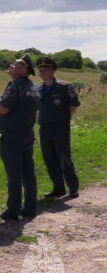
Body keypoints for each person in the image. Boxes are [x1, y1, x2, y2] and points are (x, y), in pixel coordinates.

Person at [0, 54, 40, 222]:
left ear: (24, 69)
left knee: (14, 174)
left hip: (12, 135)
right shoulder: (34, 86)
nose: (10, 65)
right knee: (28, 173)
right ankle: (30, 207)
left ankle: (12, 211)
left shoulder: (15, 86)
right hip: (27, 132)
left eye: (15, 64)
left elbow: (4, 109)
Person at [36, 56, 81, 199]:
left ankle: (73, 188)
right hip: (44, 128)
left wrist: (62, 118)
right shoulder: (38, 88)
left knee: (64, 158)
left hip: (60, 128)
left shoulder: (64, 87)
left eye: (45, 70)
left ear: (53, 71)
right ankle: (58, 188)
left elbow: (74, 104)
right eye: (40, 70)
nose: (42, 72)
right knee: (50, 159)